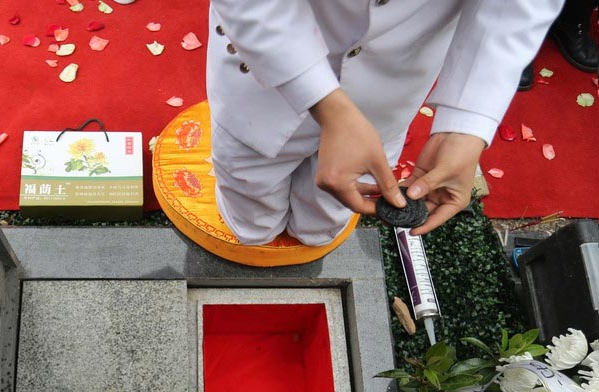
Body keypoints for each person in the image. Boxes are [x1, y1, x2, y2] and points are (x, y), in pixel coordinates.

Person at [207, 1, 565, 246]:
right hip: (267, 74)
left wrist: (468, 120)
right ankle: (253, 236)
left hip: (393, 79)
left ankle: (311, 239)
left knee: (322, 223)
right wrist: (325, 103)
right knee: (251, 217)